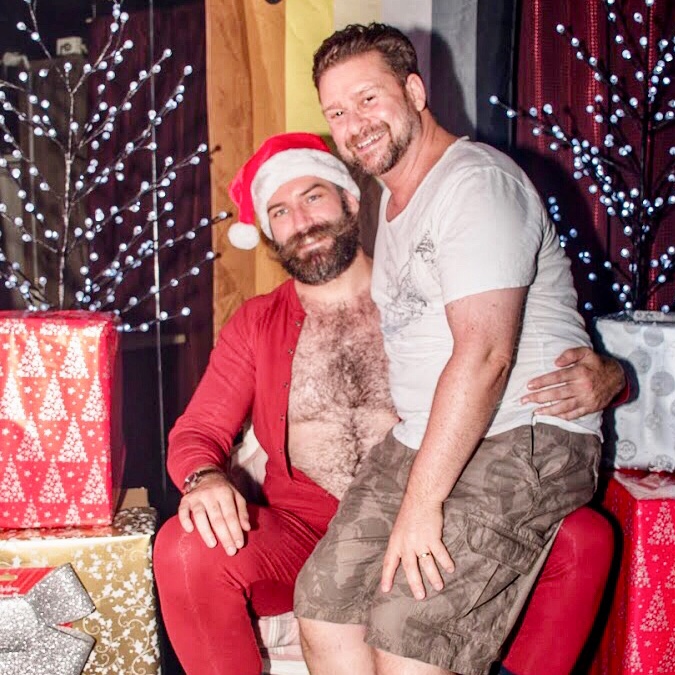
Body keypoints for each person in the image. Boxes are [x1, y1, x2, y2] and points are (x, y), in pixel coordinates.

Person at [153, 133, 624, 675]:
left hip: (434, 510)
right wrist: (204, 478)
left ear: (351, 201)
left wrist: (613, 377)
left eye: (313, 196)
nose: (301, 222)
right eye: (279, 212)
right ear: (267, 232)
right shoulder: (256, 323)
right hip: (302, 533)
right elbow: (198, 430)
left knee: (583, 537)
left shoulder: (426, 290)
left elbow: (510, 349)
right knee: (184, 545)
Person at [292, 24, 618, 675]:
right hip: (427, 435)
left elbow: (486, 355)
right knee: (323, 604)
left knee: (407, 629)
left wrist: (421, 503)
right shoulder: (388, 203)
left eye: (368, 99)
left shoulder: (476, 185)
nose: (353, 124)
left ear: (414, 91)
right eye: (337, 112)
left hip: (523, 431)